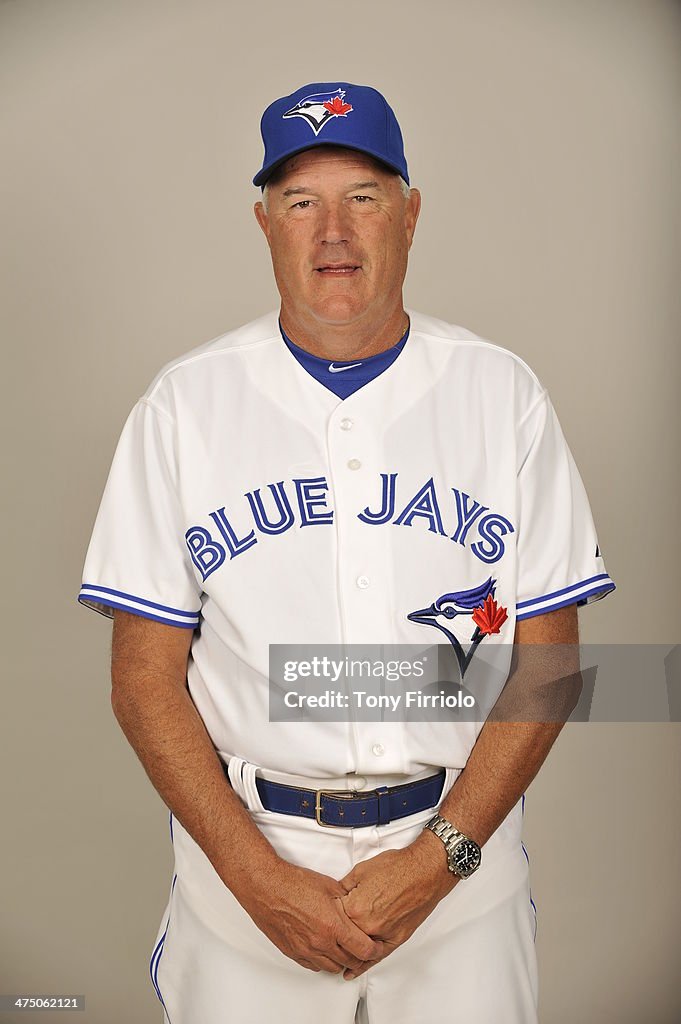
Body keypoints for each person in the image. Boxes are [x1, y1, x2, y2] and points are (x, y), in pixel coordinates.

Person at [77, 81, 615, 1023]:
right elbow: (144, 679)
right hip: (246, 871)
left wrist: (440, 857)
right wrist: (255, 879)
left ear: (410, 214)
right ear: (263, 223)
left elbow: (549, 662)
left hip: (457, 867)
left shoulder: (501, 395)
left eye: (362, 198)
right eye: (300, 202)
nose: (332, 230)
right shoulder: (183, 407)